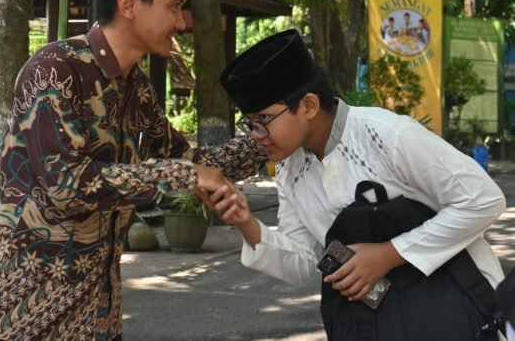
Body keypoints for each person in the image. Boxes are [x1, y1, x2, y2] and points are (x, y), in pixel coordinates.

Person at [0, 0, 265, 341]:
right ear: (129, 5)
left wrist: (266, 141)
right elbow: (68, 186)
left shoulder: (137, 88)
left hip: (96, 315)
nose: (182, 22)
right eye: (174, 5)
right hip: (23, 316)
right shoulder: (55, 69)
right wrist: (186, 175)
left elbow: (189, 159)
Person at [206, 28, 506, 339]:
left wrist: (389, 254)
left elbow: (483, 200)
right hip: (381, 327)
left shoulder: (388, 135)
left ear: (308, 105)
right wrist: (245, 222)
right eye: (250, 123)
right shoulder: (289, 168)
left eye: (264, 120)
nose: (256, 135)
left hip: (459, 312)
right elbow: (302, 264)